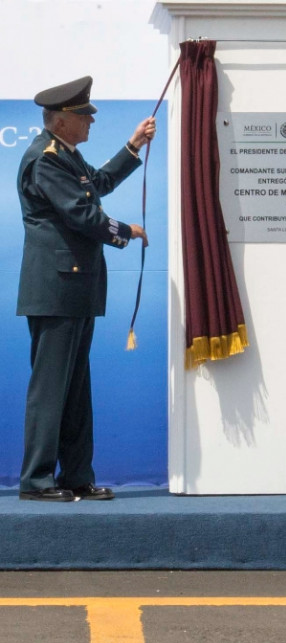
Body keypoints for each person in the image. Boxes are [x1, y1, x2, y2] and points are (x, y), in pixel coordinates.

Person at [16, 76, 156, 501]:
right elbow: (82, 214)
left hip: (72, 288)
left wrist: (133, 146)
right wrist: (125, 231)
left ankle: (75, 476)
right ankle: (36, 481)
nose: (92, 121)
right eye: (84, 116)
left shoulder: (67, 156)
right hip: (55, 290)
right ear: (61, 122)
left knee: (75, 391)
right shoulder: (46, 158)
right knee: (51, 390)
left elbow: (98, 184)